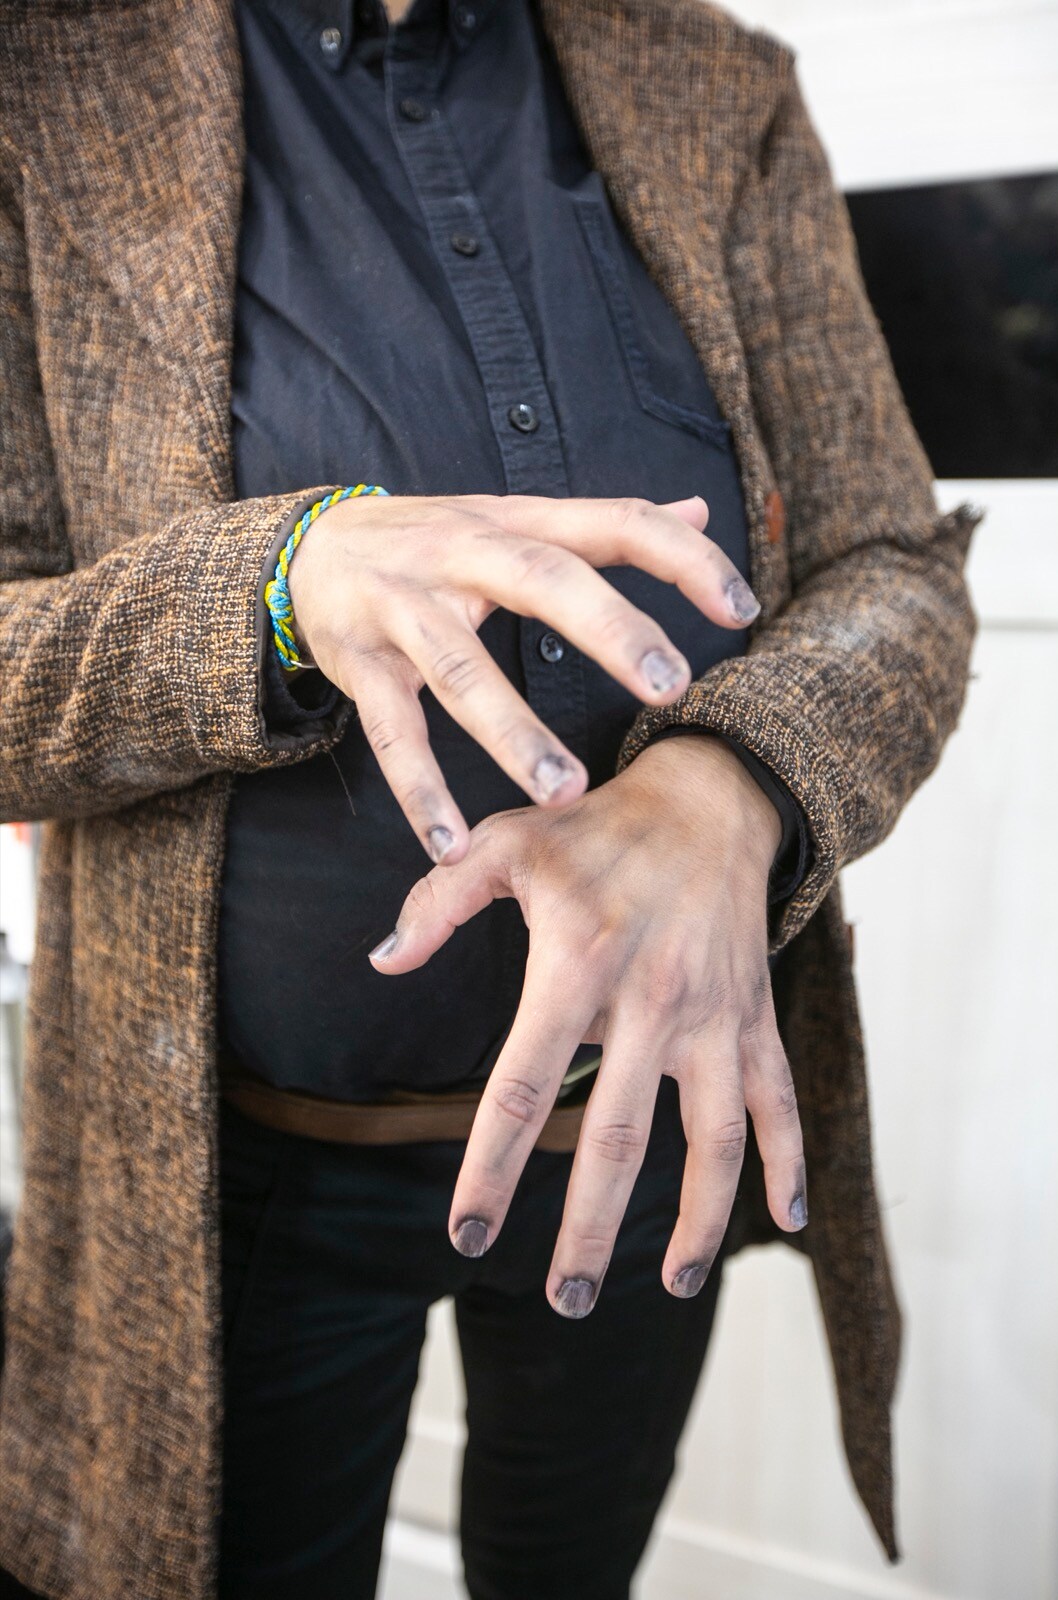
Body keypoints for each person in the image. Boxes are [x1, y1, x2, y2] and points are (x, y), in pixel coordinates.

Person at [0, 1, 981, 1597]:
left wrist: (736, 782)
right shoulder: (43, 82)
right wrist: (280, 579)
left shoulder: (715, 86)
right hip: (231, 1182)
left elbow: (898, 570)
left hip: (664, 1114)